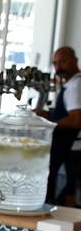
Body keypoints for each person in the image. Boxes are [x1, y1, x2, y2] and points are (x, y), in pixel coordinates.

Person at [43, 46, 81, 206]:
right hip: (67, 148)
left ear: (75, 61)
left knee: (69, 191)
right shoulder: (71, 85)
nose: (58, 67)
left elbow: (75, 120)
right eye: (55, 63)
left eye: (63, 62)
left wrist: (48, 123)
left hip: (71, 149)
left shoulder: (74, 86)